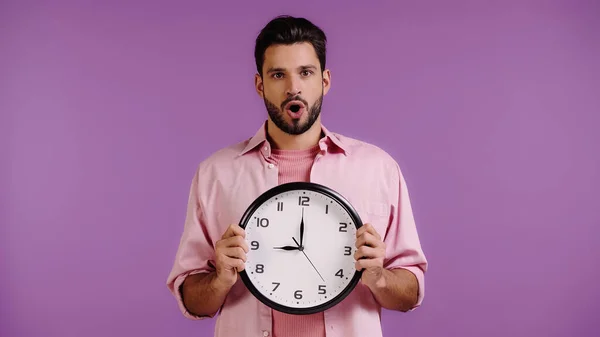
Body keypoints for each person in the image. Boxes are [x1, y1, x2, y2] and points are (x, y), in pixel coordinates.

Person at [166, 15, 428, 337]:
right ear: (260, 84)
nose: (293, 88)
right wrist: (219, 278)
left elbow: (410, 293)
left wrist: (380, 276)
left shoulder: (378, 169)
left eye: (305, 72)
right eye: (278, 74)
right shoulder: (215, 173)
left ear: (325, 81)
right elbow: (193, 301)